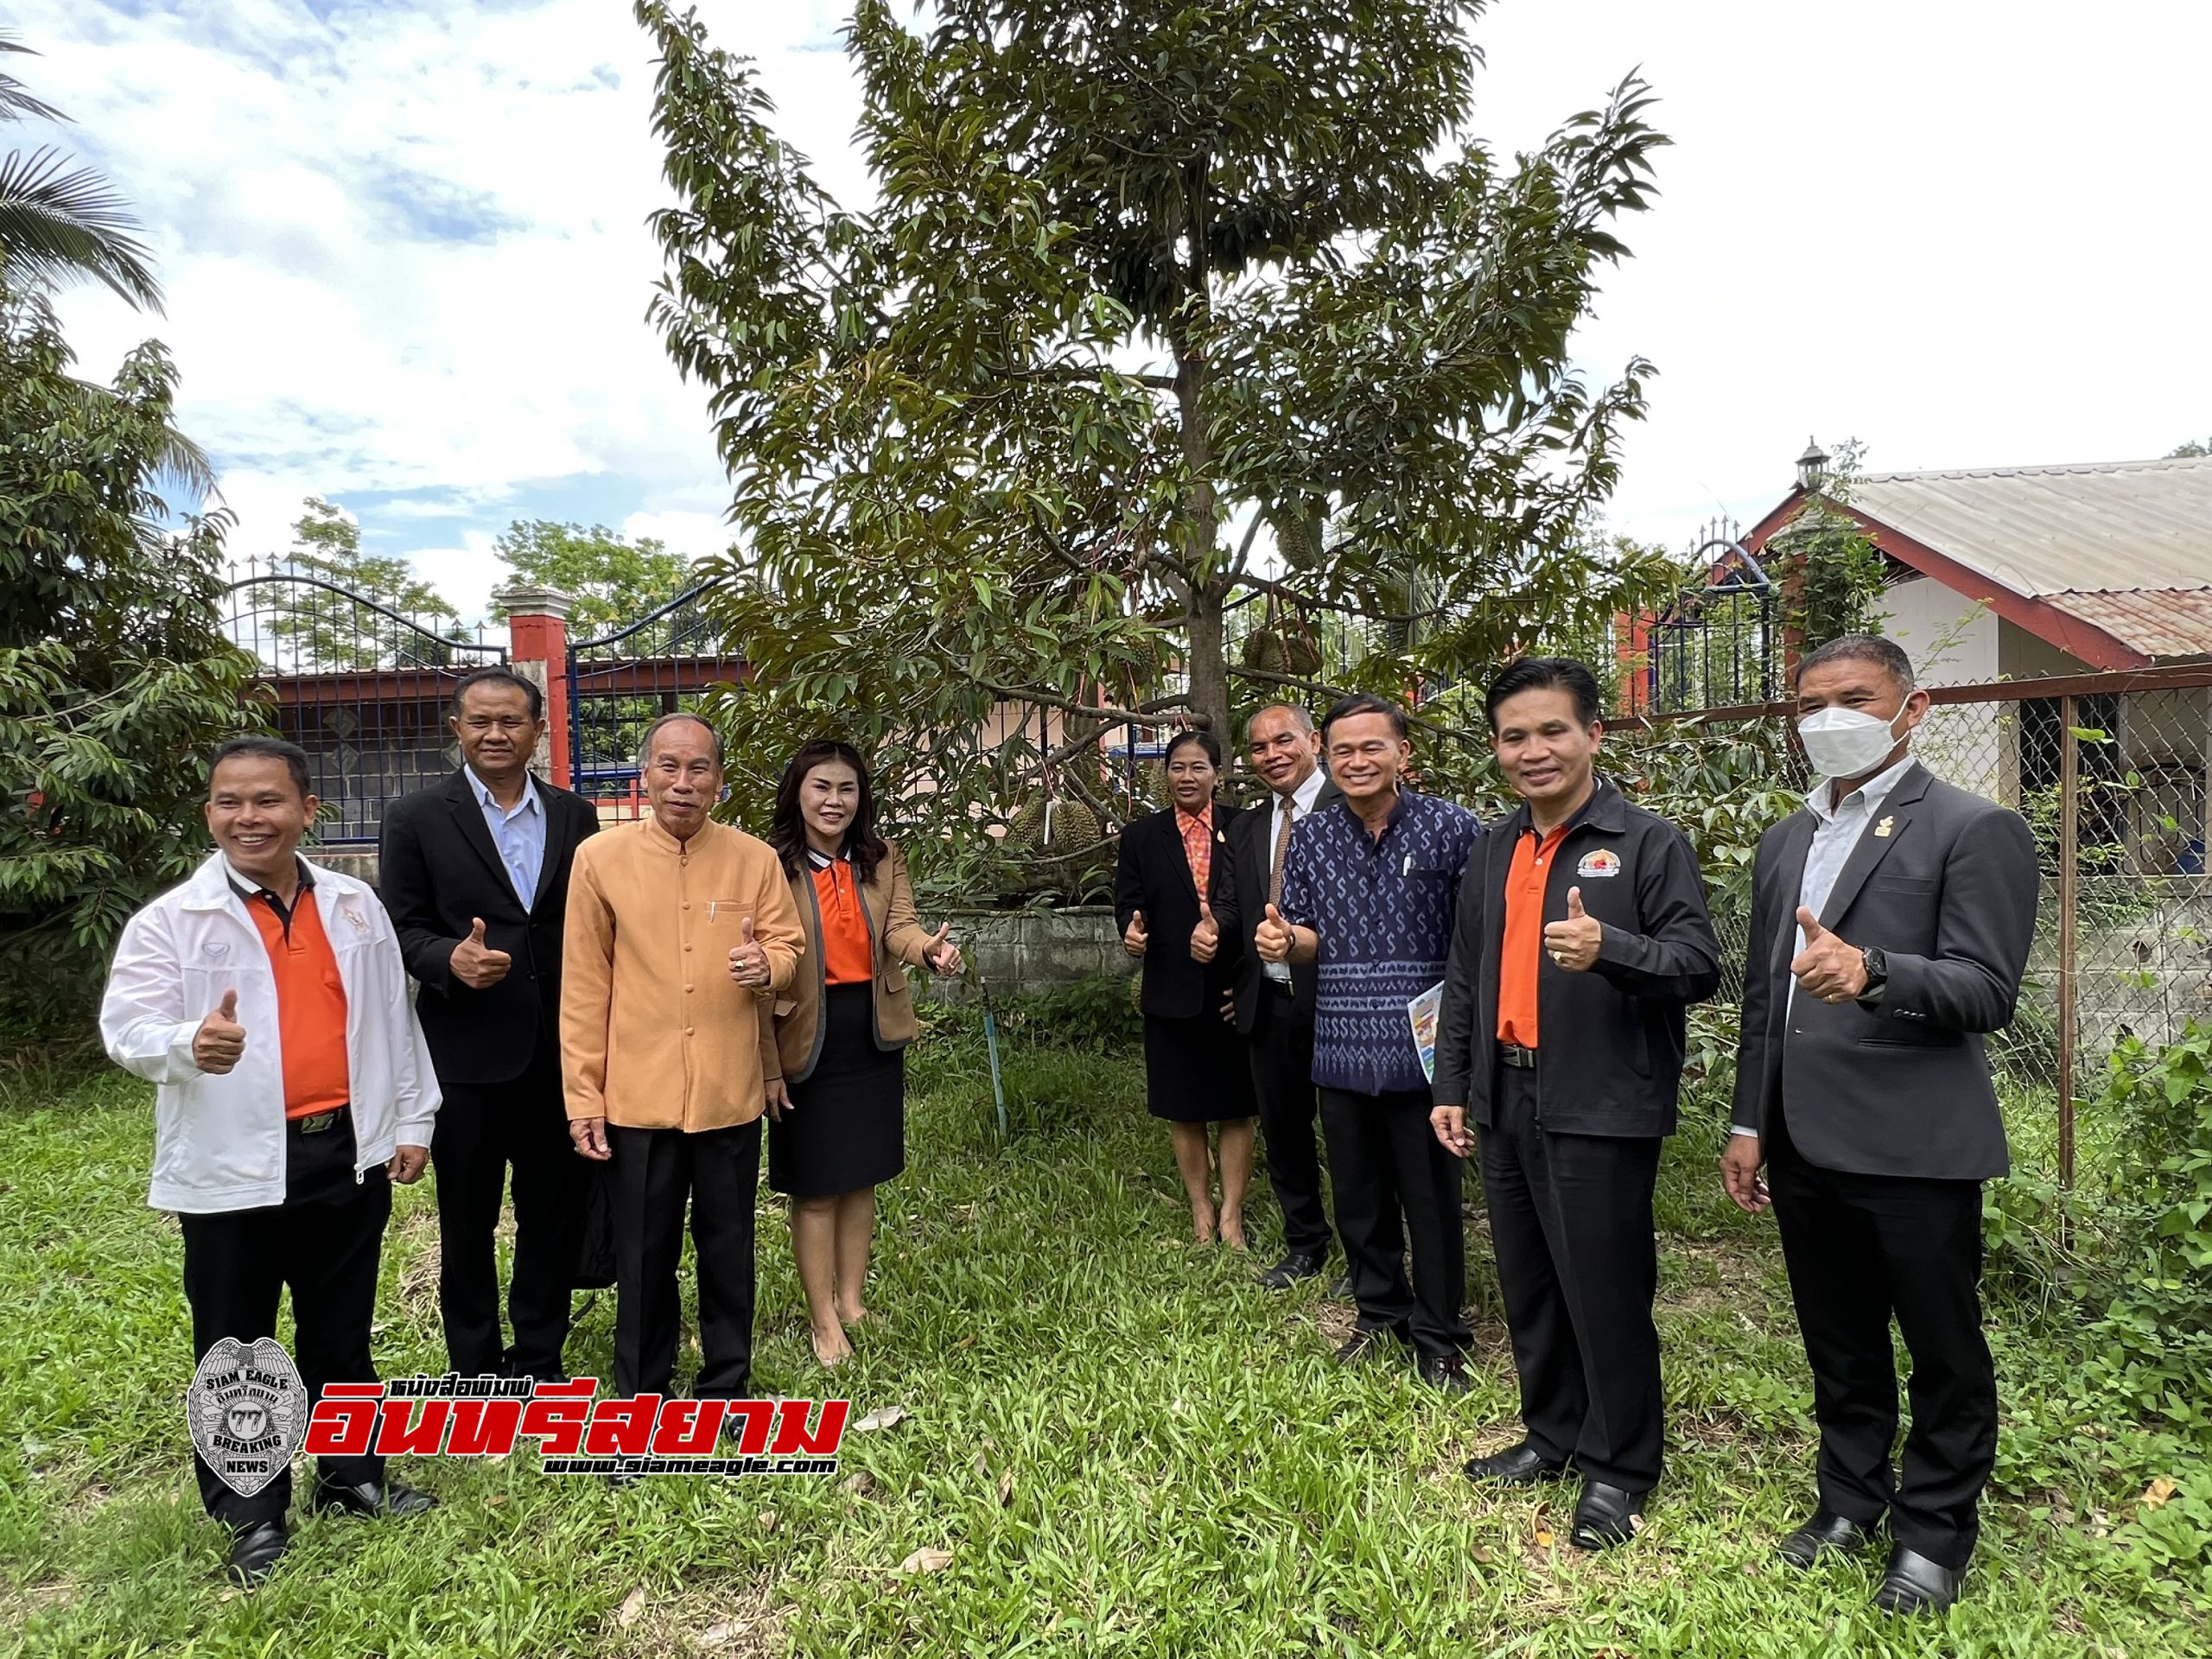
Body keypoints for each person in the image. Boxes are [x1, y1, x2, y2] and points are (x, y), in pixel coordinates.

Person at [1722, 634, 2037, 1616]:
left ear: (1914, 707)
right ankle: (1848, 1501)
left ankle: (1934, 1533)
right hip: (1800, 1134)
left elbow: (1988, 991)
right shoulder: (1785, 840)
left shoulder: (1969, 828)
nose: (1827, 720)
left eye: (1852, 698)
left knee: (1941, 1347)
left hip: (1911, 1141)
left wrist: (1874, 972)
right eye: (1808, 704)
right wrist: (1746, 1121)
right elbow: (1760, 1005)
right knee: (1838, 1338)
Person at [99, 736, 440, 1586]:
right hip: (233, 1169)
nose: (248, 818)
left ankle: (352, 1477)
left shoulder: (356, 907)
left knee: (341, 1335)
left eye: (268, 801)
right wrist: (189, 1041)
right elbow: (126, 1027)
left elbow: (394, 1022)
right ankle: (252, 1516)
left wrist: (411, 1119)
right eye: (229, 802)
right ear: (210, 813)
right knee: (237, 1345)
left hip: (344, 1154)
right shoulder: (173, 920)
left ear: (306, 811)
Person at [1429, 658, 1719, 1550]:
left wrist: (1613, 950)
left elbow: (1698, 966)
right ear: (1496, 749)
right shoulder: (1494, 848)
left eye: (1553, 730)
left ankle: (1619, 1468)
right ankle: (1552, 1434)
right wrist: (1453, 1086)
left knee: (1603, 1290)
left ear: (1594, 735)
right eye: (1515, 736)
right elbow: (1466, 979)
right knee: (1530, 1282)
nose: (1534, 751)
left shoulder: (1643, 843)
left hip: (1600, 1099)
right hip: (1505, 1094)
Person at [561, 713, 804, 1415]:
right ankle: (640, 1398)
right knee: (643, 1257)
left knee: (729, 1252)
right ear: (644, 777)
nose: (683, 782)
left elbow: (790, 950)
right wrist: (584, 1097)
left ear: (720, 782)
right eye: (669, 766)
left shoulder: (754, 859)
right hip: (638, 1096)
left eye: (699, 768)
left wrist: (769, 964)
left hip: (728, 1094)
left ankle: (728, 1390)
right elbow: (583, 986)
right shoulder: (600, 860)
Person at [378, 666, 600, 1383]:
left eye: (511, 722)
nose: (495, 734)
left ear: (538, 730)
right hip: (466, 1060)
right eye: (480, 721)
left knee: (550, 1218)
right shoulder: (414, 818)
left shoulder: (575, 816)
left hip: (557, 1055)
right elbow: (401, 929)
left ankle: (540, 1357)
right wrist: (448, 959)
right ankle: (476, 1367)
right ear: (457, 729)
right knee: (466, 1226)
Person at [1257, 695, 1481, 1392]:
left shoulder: (1453, 829)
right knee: (1356, 1193)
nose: (1357, 761)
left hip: (1426, 1051)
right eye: (1343, 751)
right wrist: (1286, 942)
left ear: (1402, 755)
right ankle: (1379, 1310)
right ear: (1327, 756)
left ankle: (1440, 1332)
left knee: (1431, 1197)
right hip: (1342, 1042)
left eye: (1372, 747)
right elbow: (1306, 933)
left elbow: (1477, 937)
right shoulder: (1314, 837)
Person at [760, 741, 963, 1367]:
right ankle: (823, 1321)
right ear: (799, 791)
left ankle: (851, 1300)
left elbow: (897, 927)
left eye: (846, 789)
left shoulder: (882, 857)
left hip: (869, 1032)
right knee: (818, 1187)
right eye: (821, 787)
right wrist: (767, 1065)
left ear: (861, 797)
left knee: (862, 1177)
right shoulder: (769, 864)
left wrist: (927, 949)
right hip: (803, 1034)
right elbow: (765, 960)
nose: (834, 801)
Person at [1115, 728, 1259, 1246]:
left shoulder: (1244, 829)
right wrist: (1131, 934)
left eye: (1199, 767)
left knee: (1237, 1107)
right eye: (1177, 767)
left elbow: (1257, 901)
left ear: (1217, 774)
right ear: (1165, 774)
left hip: (1230, 992)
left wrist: (1231, 948)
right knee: (1184, 1107)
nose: (1187, 777)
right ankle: (1201, 1206)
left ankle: (1233, 1214)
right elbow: (1128, 904)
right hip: (1171, 991)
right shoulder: (1141, 837)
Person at [1221, 702, 1345, 1290]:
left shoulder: (1350, 808)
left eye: (1283, 740)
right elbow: (1232, 905)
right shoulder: (1246, 826)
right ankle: (1306, 1243)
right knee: (1285, 1129)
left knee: (1354, 1134)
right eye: (1259, 747)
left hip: (1341, 1002)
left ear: (1313, 741)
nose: (1271, 755)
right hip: (1269, 1001)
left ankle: (1368, 1248)